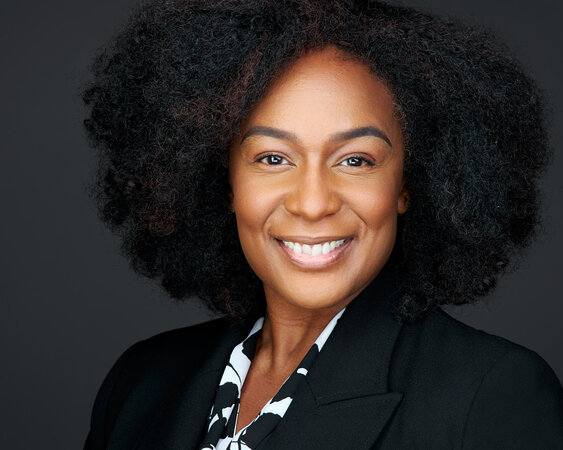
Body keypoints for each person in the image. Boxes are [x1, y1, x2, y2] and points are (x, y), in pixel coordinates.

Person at [83, 0, 563, 448]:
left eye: (355, 160)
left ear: (407, 184)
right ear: (225, 182)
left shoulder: (492, 396)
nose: (312, 204)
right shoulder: (141, 382)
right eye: (273, 158)